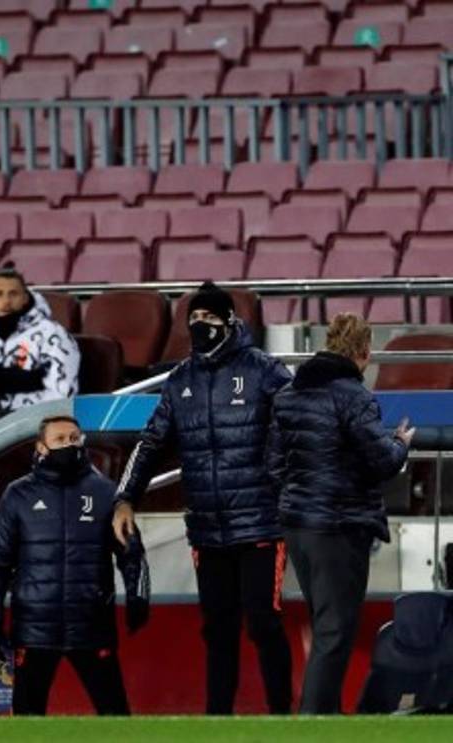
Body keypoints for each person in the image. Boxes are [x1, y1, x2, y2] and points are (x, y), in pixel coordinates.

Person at [113, 280, 294, 715]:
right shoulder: (181, 380)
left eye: (208, 317)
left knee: (264, 623)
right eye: (193, 318)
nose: (199, 325)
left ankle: (283, 717)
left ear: (229, 322)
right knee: (218, 629)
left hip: (261, 522)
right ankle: (217, 719)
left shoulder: (265, 370)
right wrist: (125, 497)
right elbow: (151, 442)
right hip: (207, 528)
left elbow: (300, 426)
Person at [268, 313, 413, 714]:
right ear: (364, 352)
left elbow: (274, 465)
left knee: (325, 623)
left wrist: (299, 498)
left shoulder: (289, 394)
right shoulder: (354, 396)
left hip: (299, 524)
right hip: (339, 526)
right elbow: (383, 461)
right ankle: (314, 722)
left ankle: (326, 716)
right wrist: (400, 443)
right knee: (335, 630)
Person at [0, 415, 150, 716]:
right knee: (27, 722)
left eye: (74, 438)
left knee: (116, 717)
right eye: (59, 439)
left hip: (91, 625)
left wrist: (138, 596)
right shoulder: (17, 494)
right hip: (34, 629)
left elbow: (131, 552)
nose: (69, 445)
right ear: (41, 447)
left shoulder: (106, 492)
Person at [0, 267, 81, 417]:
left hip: (37, 421)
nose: (6, 301)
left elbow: (63, 394)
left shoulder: (53, 334)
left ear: (25, 297)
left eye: (13, 294)